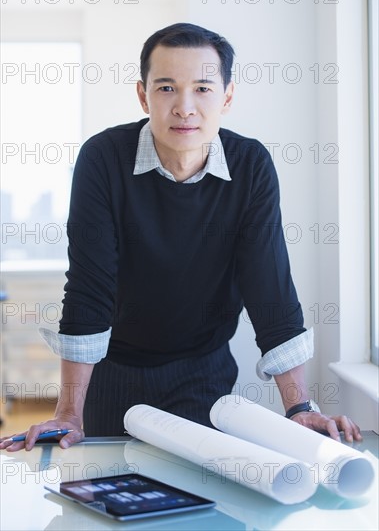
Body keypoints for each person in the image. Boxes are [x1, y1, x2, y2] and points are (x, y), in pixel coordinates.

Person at [1, 23, 361, 452]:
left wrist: (299, 407)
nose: (185, 107)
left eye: (203, 89)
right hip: (114, 370)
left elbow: (270, 288)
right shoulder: (103, 159)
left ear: (227, 96)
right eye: (167, 88)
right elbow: (88, 290)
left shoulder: (250, 165)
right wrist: (68, 413)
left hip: (203, 371)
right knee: (109, 494)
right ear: (143, 95)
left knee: (201, 498)